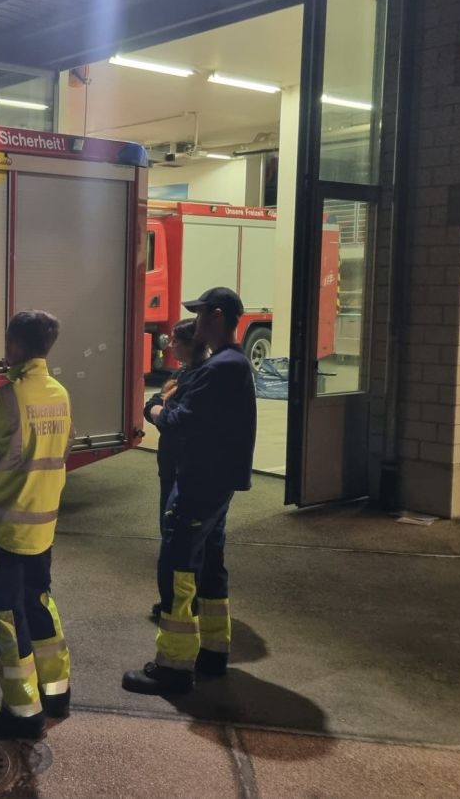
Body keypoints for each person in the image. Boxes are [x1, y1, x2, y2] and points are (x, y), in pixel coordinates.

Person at [123, 287, 256, 695]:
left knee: (178, 569)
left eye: (199, 315)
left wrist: (155, 410)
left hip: (199, 482)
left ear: (216, 316)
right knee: (211, 564)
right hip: (214, 484)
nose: (195, 323)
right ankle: (213, 652)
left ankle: (174, 668)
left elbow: (178, 419)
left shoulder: (220, 368)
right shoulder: (230, 364)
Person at [0, 310, 73, 739]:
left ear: (16, 346)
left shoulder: (1, 400)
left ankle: (22, 712)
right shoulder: (60, 393)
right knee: (40, 601)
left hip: (4, 529)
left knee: (8, 617)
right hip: (43, 525)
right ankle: (56, 692)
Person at [143, 319, 210, 618]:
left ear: (192, 343)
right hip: (170, 466)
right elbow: (153, 404)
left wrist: (160, 410)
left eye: (176, 341)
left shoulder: (200, 378)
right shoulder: (181, 374)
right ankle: (175, 600)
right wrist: (159, 409)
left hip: (186, 468)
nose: (171, 346)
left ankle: (179, 605)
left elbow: (171, 417)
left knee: (178, 539)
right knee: (168, 531)